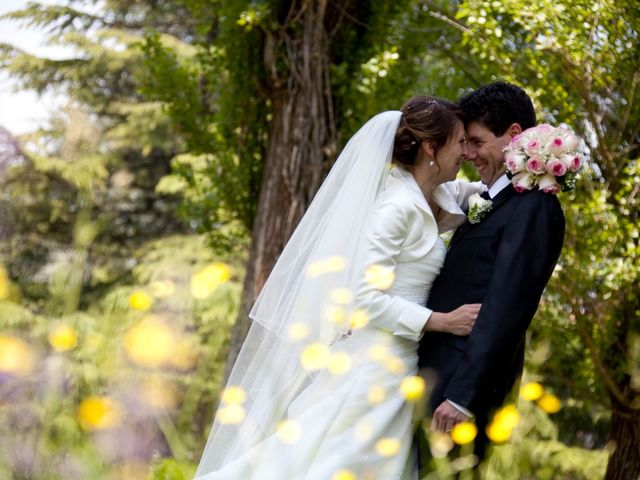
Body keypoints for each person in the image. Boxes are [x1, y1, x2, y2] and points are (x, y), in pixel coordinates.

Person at [194, 96, 485, 480]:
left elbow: (483, 189)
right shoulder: (394, 208)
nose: (466, 152)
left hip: (400, 367)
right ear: (432, 147)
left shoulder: (440, 195)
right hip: (372, 366)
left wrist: (533, 164)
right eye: (461, 142)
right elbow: (364, 299)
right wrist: (442, 322)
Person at [418, 82, 566, 462]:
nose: (467, 153)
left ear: (513, 135)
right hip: (438, 377)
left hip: (460, 395)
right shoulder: (496, 199)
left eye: (476, 142)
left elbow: (506, 309)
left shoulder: (534, 208)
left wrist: (462, 397)